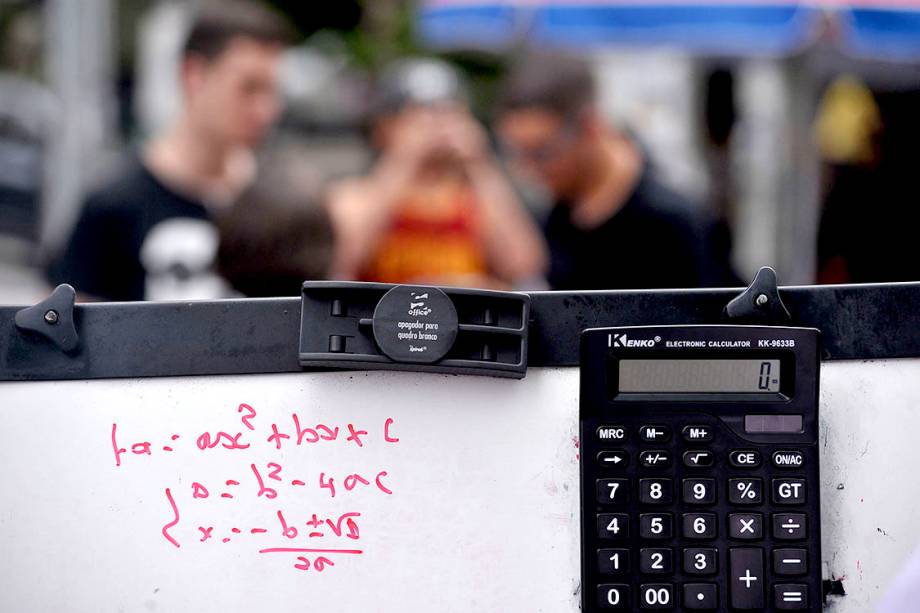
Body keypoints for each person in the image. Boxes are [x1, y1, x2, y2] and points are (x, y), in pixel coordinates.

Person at [48, 1, 292, 301]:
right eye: (249, 87)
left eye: (271, 90)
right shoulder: (115, 201)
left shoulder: (279, 199)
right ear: (194, 75)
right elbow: (62, 331)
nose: (266, 110)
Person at [495, 54, 738, 291]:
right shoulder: (558, 211)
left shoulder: (674, 222)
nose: (527, 171)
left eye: (542, 153)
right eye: (516, 154)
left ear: (589, 127)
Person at [326, 58, 547, 290]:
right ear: (384, 126)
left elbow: (525, 269)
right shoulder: (355, 192)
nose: (435, 125)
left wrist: (479, 163)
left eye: (449, 113)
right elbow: (341, 260)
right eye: (415, 114)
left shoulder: (479, 197)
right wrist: (403, 158)